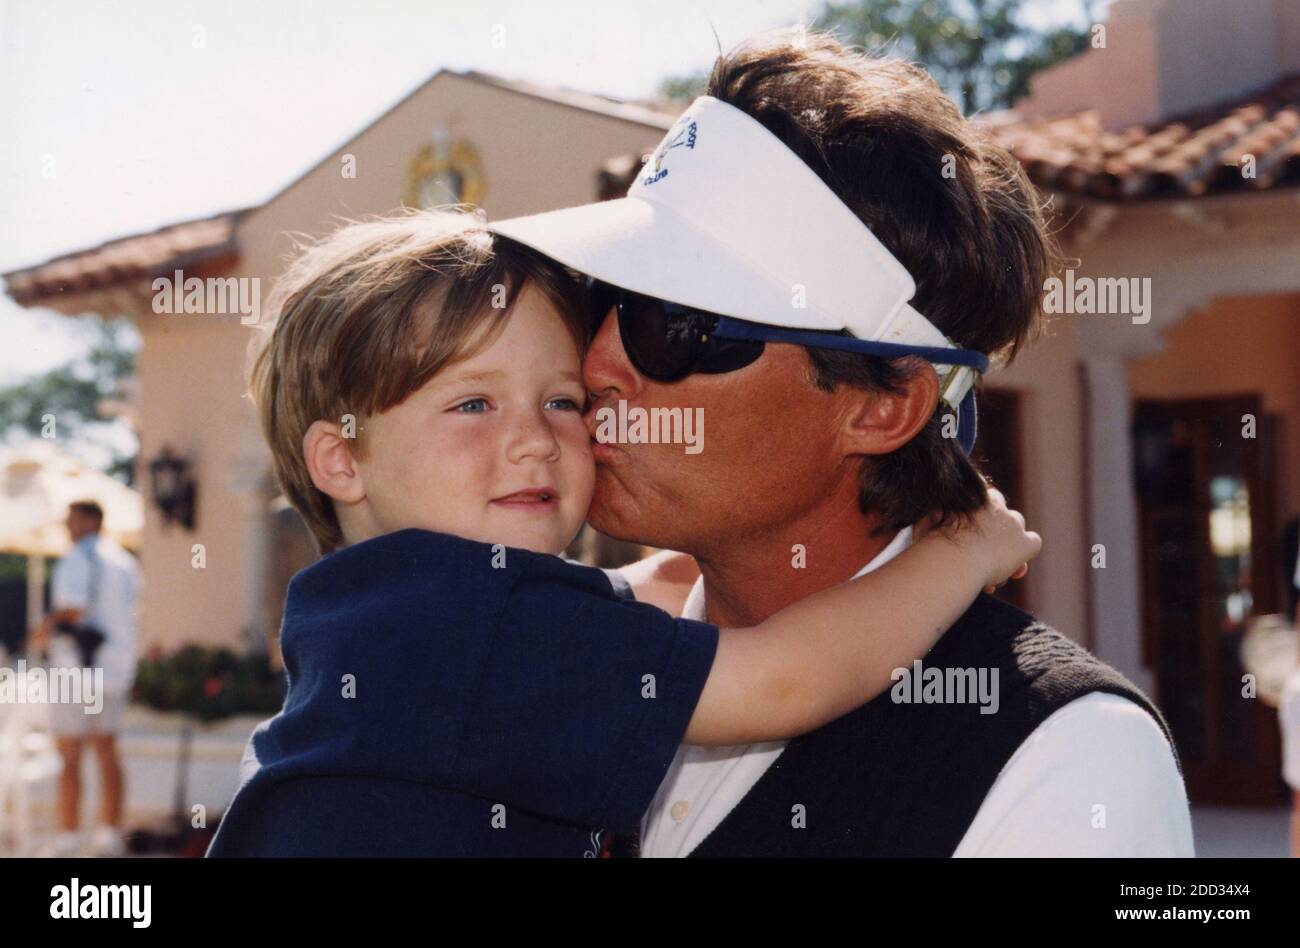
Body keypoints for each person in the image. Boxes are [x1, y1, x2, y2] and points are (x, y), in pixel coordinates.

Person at [489, 31, 1194, 856]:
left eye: (673, 325)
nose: (599, 361)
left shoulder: (1067, 757)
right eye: (600, 297)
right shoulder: (573, 645)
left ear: (886, 404)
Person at [205, 209, 1038, 857]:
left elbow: (612, 609)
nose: (536, 438)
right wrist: (962, 552)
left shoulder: (381, 611)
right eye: (473, 405)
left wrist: (701, 554)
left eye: (561, 401)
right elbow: (785, 683)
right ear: (340, 460)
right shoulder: (471, 622)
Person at [29, 500, 141, 858]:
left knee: (70, 754)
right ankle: (110, 833)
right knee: (107, 750)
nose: (67, 525)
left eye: (72, 518)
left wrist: (41, 632)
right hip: (114, 671)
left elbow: (71, 608)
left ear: (89, 520)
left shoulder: (78, 557)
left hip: (76, 672)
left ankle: (68, 837)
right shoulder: (125, 561)